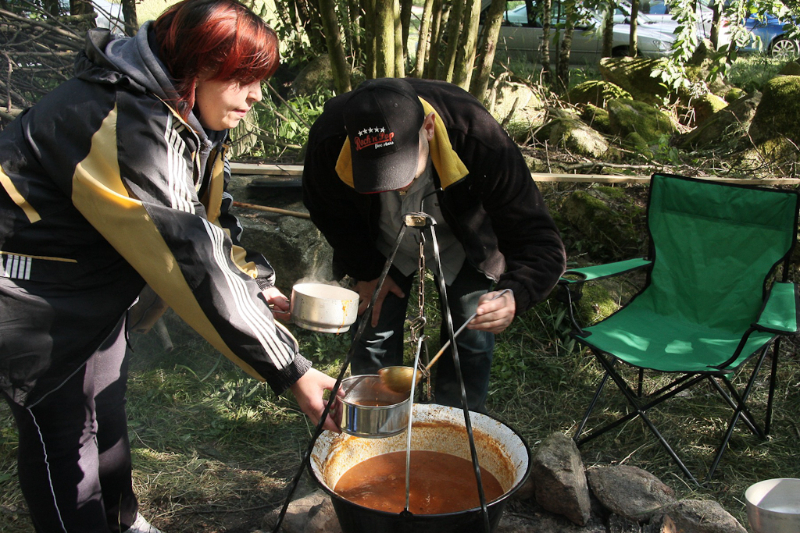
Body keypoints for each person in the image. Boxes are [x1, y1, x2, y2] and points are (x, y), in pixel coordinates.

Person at [0, 1, 341, 531]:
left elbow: (207, 220)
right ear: (196, 67)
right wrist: (292, 370)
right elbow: (188, 255)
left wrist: (255, 285)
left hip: (89, 284)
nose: (256, 96)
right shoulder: (124, 119)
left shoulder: (184, 116)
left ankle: (123, 520)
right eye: (244, 79)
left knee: (105, 408)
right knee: (62, 436)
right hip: (29, 294)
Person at [302, 78, 567, 413]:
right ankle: (374, 427)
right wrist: (365, 269)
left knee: (469, 333)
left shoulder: (477, 136)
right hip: (383, 235)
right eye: (377, 177)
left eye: (401, 172)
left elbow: (539, 239)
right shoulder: (330, 137)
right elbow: (327, 209)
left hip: (463, 233)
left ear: (428, 128)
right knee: (374, 327)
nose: (397, 189)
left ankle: (458, 425)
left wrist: (516, 293)